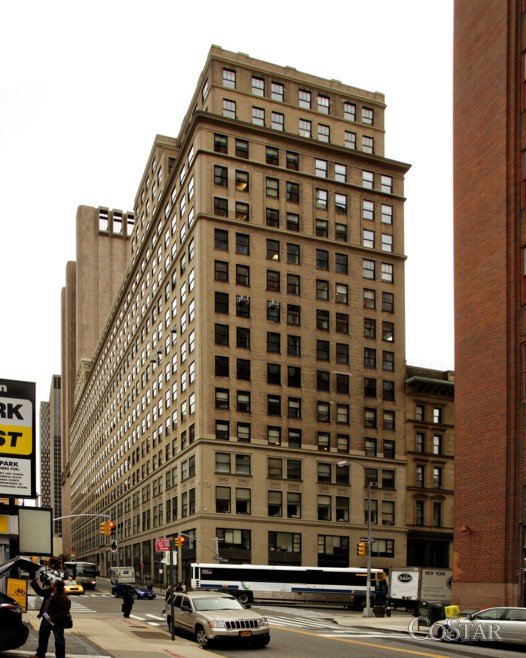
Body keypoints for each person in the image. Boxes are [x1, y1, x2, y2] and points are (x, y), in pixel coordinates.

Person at [30, 576, 71, 658]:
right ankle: (40, 654)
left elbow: (63, 612)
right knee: (42, 637)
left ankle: (60, 656)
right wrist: (34, 584)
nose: (51, 584)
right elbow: (40, 592)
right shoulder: (50, 591)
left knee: (59, 640)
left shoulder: (64, 598)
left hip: (56, 622)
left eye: (53, 584)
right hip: (46, 620)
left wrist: (53, 618)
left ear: (56, 587)